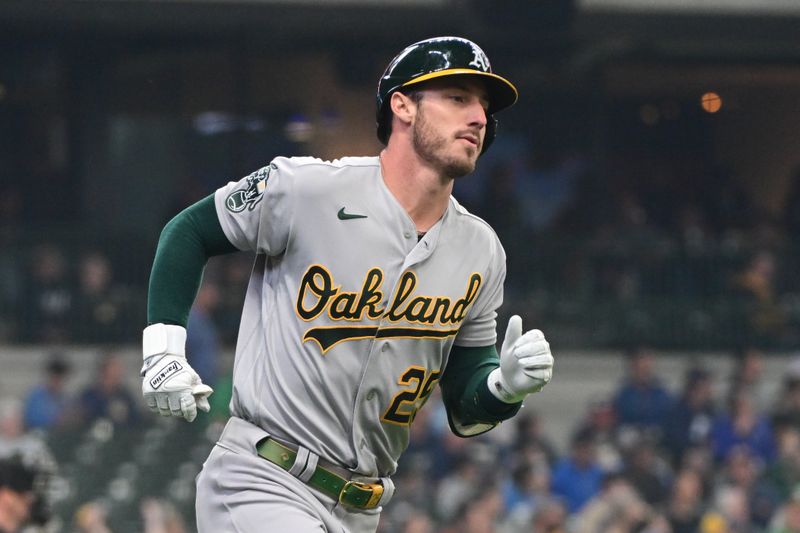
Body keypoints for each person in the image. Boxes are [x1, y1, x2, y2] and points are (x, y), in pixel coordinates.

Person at [139, 36, 555, 533]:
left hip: (361, 510)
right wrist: (162, 349)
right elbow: (189, 231)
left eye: (484, 106)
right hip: (263, 480)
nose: (479, 117)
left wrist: (504, 388)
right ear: (402, 104)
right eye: (458, 98)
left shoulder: (481, 249)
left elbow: (467, 410)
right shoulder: (307, 189)